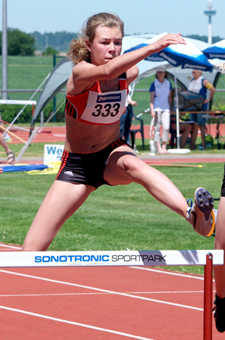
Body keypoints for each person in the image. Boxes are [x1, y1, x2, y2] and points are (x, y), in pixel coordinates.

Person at [22, 12, 214, 253]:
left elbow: (117, 71)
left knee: (136, 166)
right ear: (89, 44)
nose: (112, 48)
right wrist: (153, 47)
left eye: (117, 42)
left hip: (112, 153)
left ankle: (193, 215)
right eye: (105, 42)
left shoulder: (128, 74)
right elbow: (107, 72)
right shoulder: (80, 73)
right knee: (31, 250)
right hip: (78, 165)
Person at [188, 69, 215, 150]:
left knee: (201, 125)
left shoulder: (204, 80)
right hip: (192, 107)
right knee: (192, 125)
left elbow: (212, 89)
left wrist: (208, 99)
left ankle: (203, 143)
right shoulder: (192, 81)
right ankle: (193, 144)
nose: (192, 73)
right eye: (192, 72)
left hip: (200, 107)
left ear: (200, 73)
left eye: (194, 72)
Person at [149, 66, 172, 154]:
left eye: (161, 72)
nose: (160, 73)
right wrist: (152, 110)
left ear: (165, 74)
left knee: (166, 127)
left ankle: (164, 146)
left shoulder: (168, 83)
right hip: (157, 108)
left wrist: (170, 107)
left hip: (166, 108)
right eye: (158, 72)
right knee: (157, 128)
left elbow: (170, 97)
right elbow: (151, 98)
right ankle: (159, 148)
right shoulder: (154, 84)